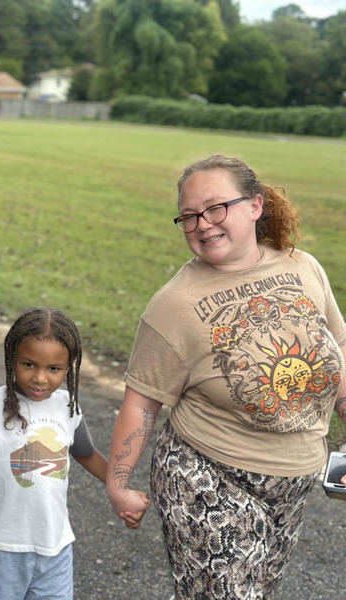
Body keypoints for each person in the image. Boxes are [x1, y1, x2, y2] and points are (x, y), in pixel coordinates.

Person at [107, 154, 346, 599]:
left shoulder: (303, 267)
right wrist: (118, 483)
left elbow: (339, 352)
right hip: (206, 473)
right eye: (190, 216)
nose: (202, 224)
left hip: (293, 476)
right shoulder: (174, 305)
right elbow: (141, 402)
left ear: (255, 206)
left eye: (217, 208)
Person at [0, 307, 147, 600]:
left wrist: (121, 489)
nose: (40, 378)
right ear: (12, 357)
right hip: (2, 547)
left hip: (56, 546)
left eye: (53, 369)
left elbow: (86, 453)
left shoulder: (66, 405)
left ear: (69, 368)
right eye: (28, 364)